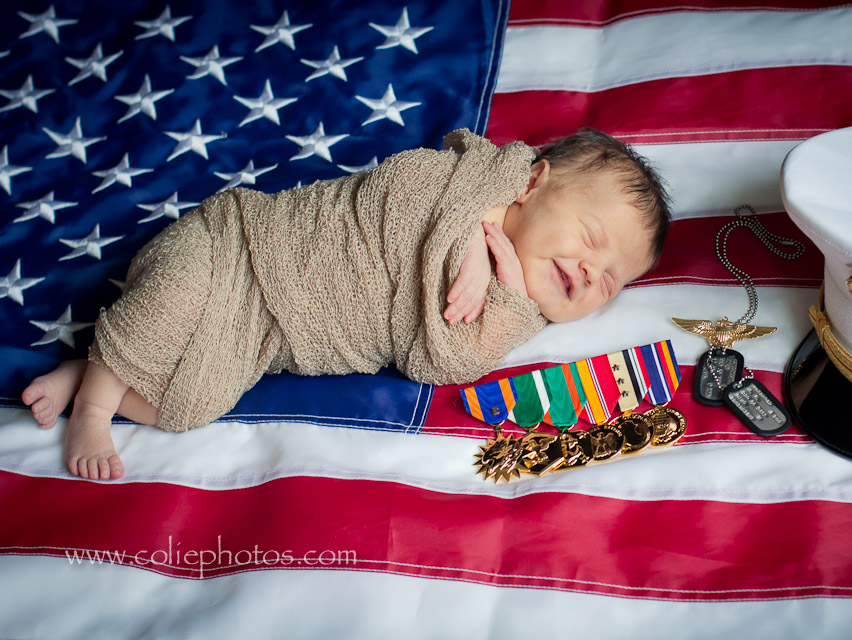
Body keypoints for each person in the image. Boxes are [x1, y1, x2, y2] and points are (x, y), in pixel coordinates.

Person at [21, 128, 671, 481]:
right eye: (591, 239)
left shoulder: (515, 314)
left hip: (273, 334)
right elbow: (397, 188)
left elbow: (435, 361)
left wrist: (499, 291)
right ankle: (95, 409)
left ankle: (87, 371)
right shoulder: (461, 179)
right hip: (244, 247)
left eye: (608, 283)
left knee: (185, 407)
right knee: (167, 300)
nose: (590, 271)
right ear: (531, 180)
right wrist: (469, 237)